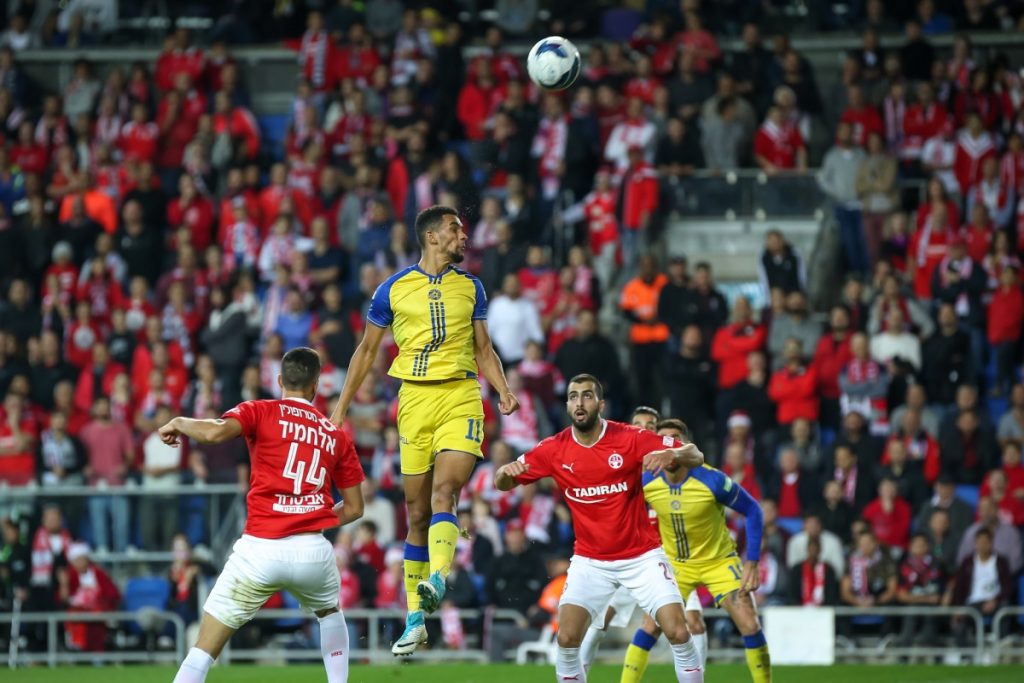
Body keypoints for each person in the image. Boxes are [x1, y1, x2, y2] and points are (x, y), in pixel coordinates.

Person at [328, 206, 519, 656]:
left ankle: (439, 577)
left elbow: (484, 348)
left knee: (444, 493)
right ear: (432, 236)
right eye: (455, 229)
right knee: (415, 514)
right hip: (413, 401)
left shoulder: (472, 286)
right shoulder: (392, 289)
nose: (464, 236)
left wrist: (504, 389)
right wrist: (340, 408)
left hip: (460, 395)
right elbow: (366, 351)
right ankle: (415, 621)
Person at [160, 347, 366, 683]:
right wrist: (313, 516)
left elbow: (214, 433)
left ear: (280, 380)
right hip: (312, 552)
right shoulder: (335, 433)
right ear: (315, 386)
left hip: (260, 550)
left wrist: (179, 422)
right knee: (331, 614)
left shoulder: (260, 410)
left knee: (204, 650)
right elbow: (356, 508)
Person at [495, 375, 706, 682]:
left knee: (678, 631)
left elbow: (696, 455)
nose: (579, 403)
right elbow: (502, 482)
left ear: (601, 404)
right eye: (573, 397)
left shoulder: (630, 437)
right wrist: (505, 472)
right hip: (591, 561)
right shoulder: (554, 448)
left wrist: (672, 453)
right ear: (567, 405)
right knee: (566, 638)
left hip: (642, 557)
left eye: (587, 396)